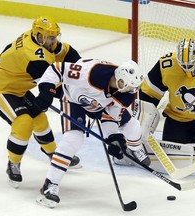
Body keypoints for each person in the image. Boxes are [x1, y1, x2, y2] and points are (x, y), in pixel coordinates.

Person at [34, 58, 150, 208]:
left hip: (100, 106)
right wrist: (46, 92)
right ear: (120, 79)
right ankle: (50, 184)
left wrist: (114, 138)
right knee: (73, 140)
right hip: (73, 100)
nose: (131, 91)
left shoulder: (125, 93)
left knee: (132, 126)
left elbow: (111, 115)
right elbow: (56, 68)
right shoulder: (92, 74)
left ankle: (135, 149)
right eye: (129, 87)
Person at [0, 16, 81, 188]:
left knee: (40, 120)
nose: (54, 41)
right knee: (24, 122)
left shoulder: (40, 40)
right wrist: (78, 96)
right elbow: (52, 87)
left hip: (16, 86)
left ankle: (53, 155)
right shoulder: (34, 57)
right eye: (51, 38)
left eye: (55, 37)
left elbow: (67, 52)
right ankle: (13, 163)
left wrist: (82, 70)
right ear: (40, 36)